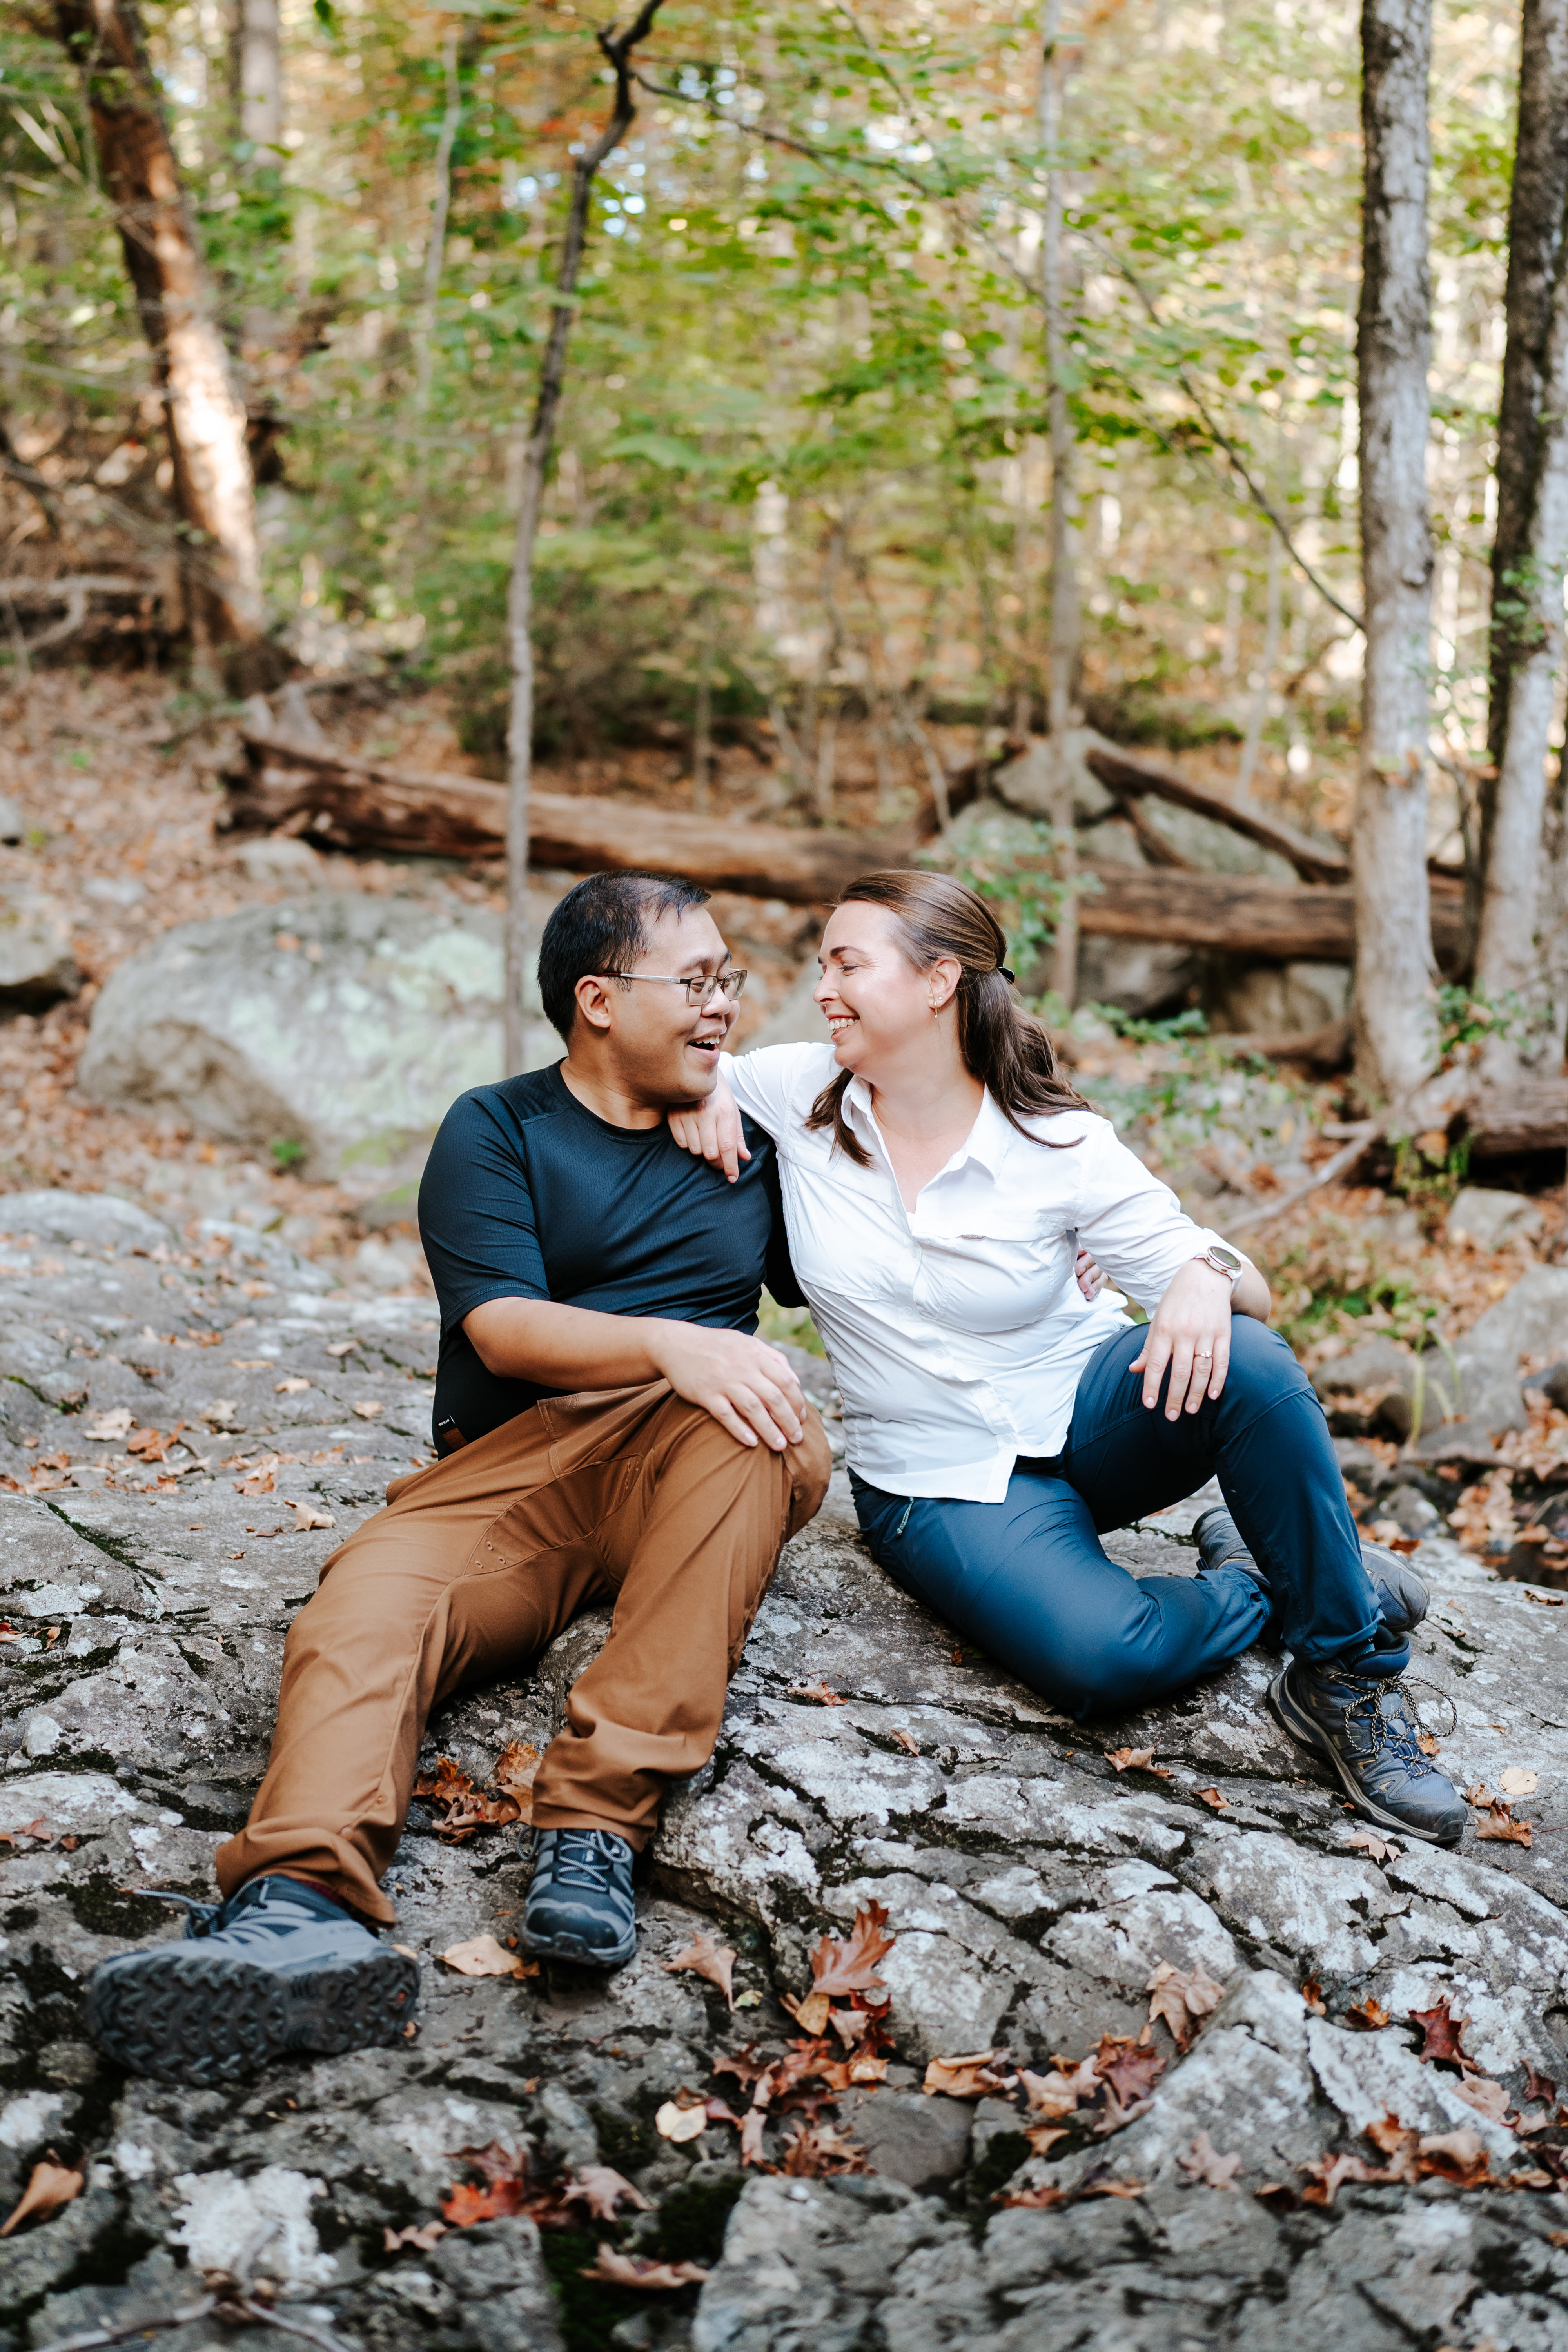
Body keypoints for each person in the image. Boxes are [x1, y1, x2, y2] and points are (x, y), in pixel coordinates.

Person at [87, 871, 830, 2085]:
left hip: (699, 1456)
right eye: (696, 983)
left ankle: (595, 1824)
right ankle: (301, 1915)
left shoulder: (756, 1136)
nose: (725, 1007)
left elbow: (908, 1151)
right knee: (364, 1609)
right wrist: (670, 1335)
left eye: (729, 984)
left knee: (753, 1424)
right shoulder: (498, 1129)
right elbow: (501, 1329)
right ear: (598, 999)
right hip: (517, 1475)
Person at [670, 869, 1465, 1848]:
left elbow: (1241, 1285)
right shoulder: (793, 1093)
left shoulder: (1055, 1141)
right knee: (1101, 1661)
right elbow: (669, 1062)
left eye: (846, 964)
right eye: (822, 964)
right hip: (937, 1481)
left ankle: (1340, 1669)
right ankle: (1269, 1578)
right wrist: (699, 1090)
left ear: (936, 983)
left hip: (1092, 1416)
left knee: (1252, 1362)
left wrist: (1203, 1274)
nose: (822, 986)